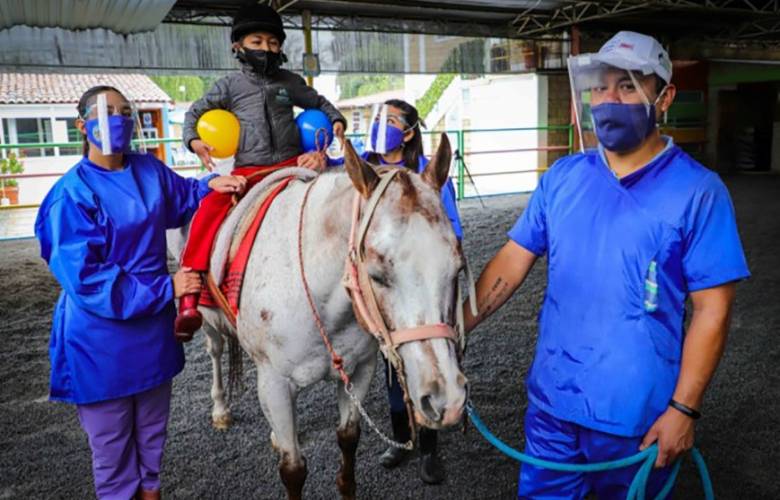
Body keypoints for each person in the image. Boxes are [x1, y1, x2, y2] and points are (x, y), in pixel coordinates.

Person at [463, 31, 750, 499]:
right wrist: (456, 326)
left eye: (628, 86)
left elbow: (713, 309)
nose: (609, 99)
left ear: (665, 97)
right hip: (553, 407)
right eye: (600, 86)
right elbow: (511, 263)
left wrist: (683, 409)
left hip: (637, 418)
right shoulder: (562, 179)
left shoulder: (699, 192)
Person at [34, 86, 243, 499]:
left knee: (152, 447)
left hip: (152, 336)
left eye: (125, 111)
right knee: (112, 456)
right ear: (82, 125)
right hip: (101, 342)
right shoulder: (70, 196)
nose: (119, 118)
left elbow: (185, 198)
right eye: (107, 111)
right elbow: (88, 281)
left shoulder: (148, 169)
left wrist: (212, 184)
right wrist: (168, 286)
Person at [176, 2, 347, 339]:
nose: (265, 49)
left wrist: (336, 122)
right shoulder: (228, 86)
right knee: (209, 208)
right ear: (238, 46)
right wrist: (193, 140)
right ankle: (192, 297)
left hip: (291, 164)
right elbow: (194, 114)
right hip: (249, 171)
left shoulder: (289, 81)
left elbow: (320, 103)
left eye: (272, 43)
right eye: (257, 42)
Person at [332, 99, 462, 484]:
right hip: (394, 291)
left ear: (408, 132)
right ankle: (403, 438)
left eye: (389, 120)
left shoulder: (428, 174)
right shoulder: (363, 170)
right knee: (394, 369)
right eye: (378, 118)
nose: (379, 125)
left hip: (427, 288)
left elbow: (450, 228)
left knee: (436, 360)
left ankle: (430, 448)